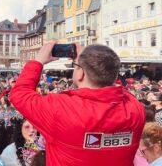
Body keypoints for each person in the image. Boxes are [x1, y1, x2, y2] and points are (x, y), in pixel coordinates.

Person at [10, 42, 146, 165]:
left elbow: (19, 94)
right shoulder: (135, 109)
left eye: (76, 67)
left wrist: (38, 61)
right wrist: (94, 65)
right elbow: (115, 88)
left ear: (80, 73)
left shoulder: (60, 109)